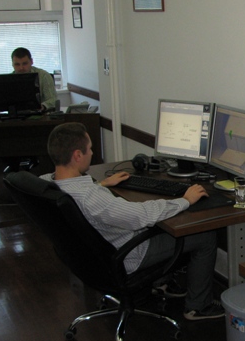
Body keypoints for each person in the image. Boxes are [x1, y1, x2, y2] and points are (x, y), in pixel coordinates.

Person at [41, 122, 224, 320]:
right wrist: (185, 200)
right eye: (90, 148)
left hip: (89, 259)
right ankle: (198, 306)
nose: (92, 153)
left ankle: (162, 284)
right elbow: (140, 216)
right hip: (127, 254)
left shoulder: (47, 182)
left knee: (164, 222)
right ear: (77, 155)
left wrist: (101, 184)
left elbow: (83, 198)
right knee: (204, 236)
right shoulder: (90, 197)